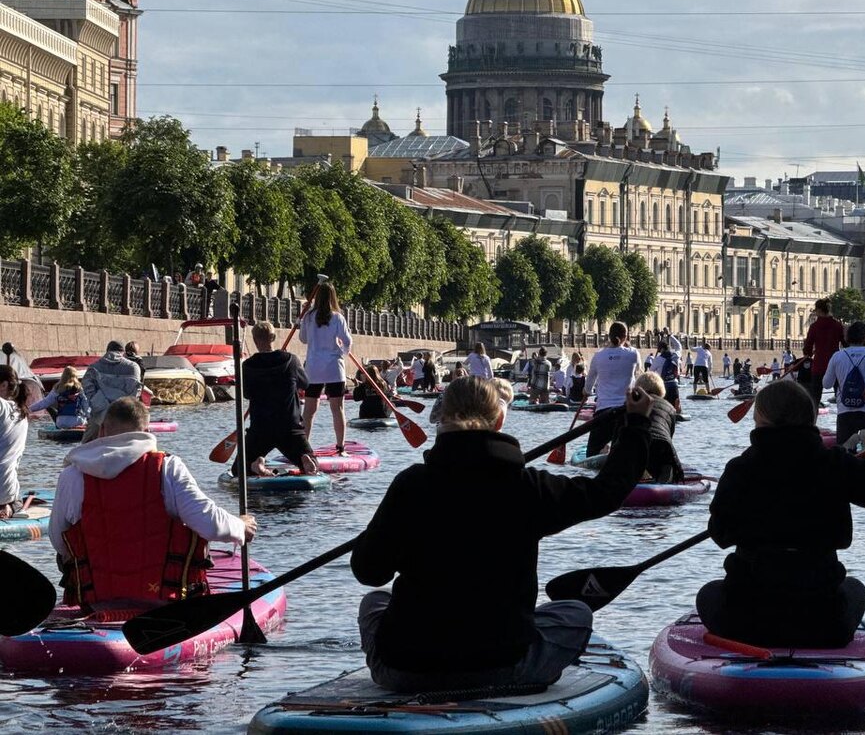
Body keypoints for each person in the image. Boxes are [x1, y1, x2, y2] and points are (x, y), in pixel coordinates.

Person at [351, 376, 652, 693]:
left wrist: (379, 530)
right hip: (503, 666)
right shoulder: (527, 486)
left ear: (442, 422)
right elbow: (605, 492)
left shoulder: (410, 485)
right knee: (576, 613)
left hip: (405, 668)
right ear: (498, 421)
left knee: (374, 601)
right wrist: (636, 426)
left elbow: (369, 572)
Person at [696, 379, 865, 649]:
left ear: (761, 419)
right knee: (855, 589)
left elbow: (720, 533)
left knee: (708, 593)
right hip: (823, 621)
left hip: (746, 620)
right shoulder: (835, 464)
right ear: (810, 417)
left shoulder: (740, 468)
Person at [49, 397, 256, 606]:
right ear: (148, 431)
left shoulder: (71, 475)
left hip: (96, 602)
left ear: (102, 431)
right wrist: (241, 526)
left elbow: (58, 540)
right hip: (163, 604)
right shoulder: (168, 468)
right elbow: (210, 524)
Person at [239, 321, 319, 475]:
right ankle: (305, 459)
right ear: (273, 337)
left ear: (254, 340)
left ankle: (255, 465)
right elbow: (305, 383)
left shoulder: (247, 365)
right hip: (290, 428)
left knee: (238, 469)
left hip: (261, 428)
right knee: (314, 466)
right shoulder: (291, 360)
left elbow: (246, 394)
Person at [299, 281, 352, 450]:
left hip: (313, 368)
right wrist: (342, 351)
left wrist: (302, 321)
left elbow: (303, 339)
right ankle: (340, 446)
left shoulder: (308, 316)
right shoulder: (338, 317)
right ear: (333, 297)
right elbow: (347, 341)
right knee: (338, 409)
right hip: (334, 368)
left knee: (309, 411)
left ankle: (304, 448)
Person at [583, 322, 642, 456]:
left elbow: (589, 384)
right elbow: (639, 374)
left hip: (603, 412)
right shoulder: (633, 354)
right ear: (625, 336)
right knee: (623, 451)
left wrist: (586, 392)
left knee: (591, 453)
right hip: (625, 412)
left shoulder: (598, 356)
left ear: (609, 336)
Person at [81, 340, 144, 443]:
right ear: (123, 352)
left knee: (86, 448)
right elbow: (134, 394)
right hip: (123, 418)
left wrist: (103, 407)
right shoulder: (133, 367)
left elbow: (87, 389)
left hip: (98, 417)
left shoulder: (94, 367)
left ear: (107, 350)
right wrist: (118, 410)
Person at [632, 372, 686, 484]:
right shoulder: (670, 408)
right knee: (665, 466)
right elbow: (669, 438)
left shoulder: (631, 404)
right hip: (661, 444)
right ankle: (663, 483)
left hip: (636, 443)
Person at [0, 365, 31, 520]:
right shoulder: (22, 412)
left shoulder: (3, 406)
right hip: (8, 490)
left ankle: (8, 506)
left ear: (4, 385)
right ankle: (11, 505)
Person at [802, 299, 844, 408]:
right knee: (840, 396)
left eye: (816, 310)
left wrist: (808, 353)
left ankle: (813, 416)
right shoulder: (837, 325)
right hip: (836, 365)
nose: (815, 312)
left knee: (815, 398)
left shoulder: (814, 327)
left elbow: (808, 347)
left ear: (820, 310)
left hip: (819, 365)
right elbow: (845, 343)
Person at [29, 365, 90, 430]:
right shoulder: (79, 389)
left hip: (61, 422)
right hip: (77, 421)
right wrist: (90, 418)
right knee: (85, 420)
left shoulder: (57, 388)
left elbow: (45, 403)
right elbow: (85, 406)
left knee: (51, 409)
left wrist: (29, 409)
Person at [655, 339, 683, 412]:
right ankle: (678, 413)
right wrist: (671, 336)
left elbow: (651, 372)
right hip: (674, 385)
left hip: (664, 386)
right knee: (676, 404)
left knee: (665, 408)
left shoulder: (658, 359)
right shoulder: (676, 355)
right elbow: (679, 346)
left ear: (661, 349)